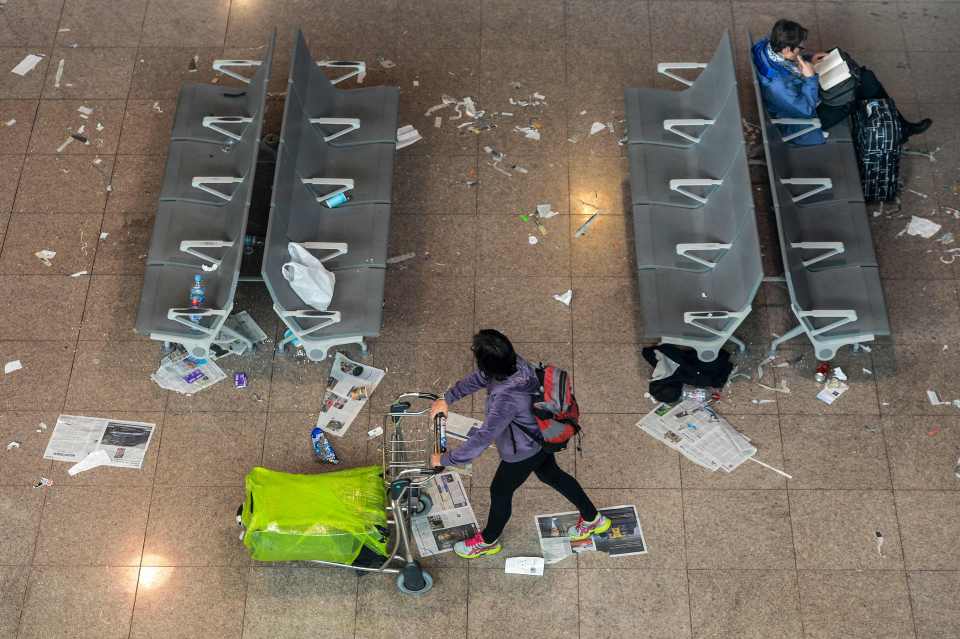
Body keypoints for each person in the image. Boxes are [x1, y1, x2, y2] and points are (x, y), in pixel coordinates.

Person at [428, 329, 610, 559]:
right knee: (551, 475)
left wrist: (444, 459)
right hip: (540, 437)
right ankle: (593, 518)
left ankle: (487, 541)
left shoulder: (507, 399)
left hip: (523, 451)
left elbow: (483, 438)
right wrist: (448, 397)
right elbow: (481, 377)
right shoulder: (516, 363)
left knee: (500, 491)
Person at [752, 19, 931, 145]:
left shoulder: (769, 47)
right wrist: (810, 78)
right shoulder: (777, 85)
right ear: (785, 49)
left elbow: (790, 65)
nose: (802, 49)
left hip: (803, 97)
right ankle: (898, 128)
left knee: (863, 77)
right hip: (804, 122)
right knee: (857, 87)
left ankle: (899, 127)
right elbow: (805, 110)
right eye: (800, 47)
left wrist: (809, 59)